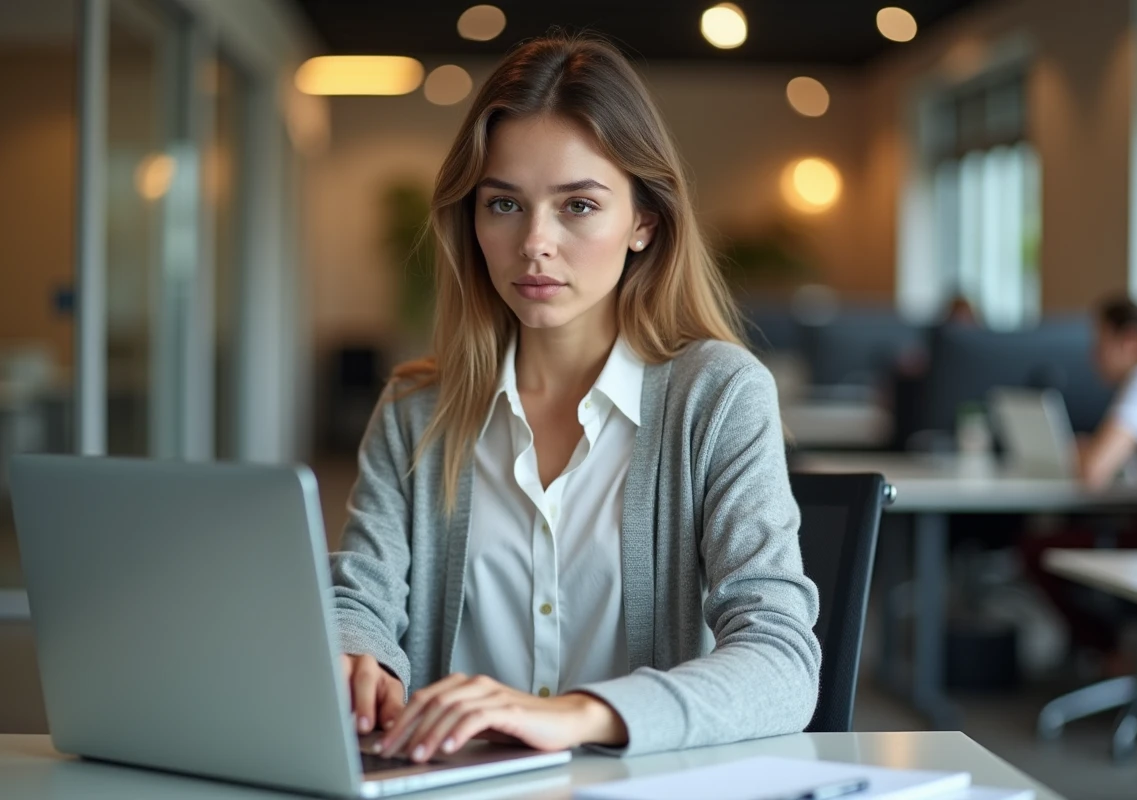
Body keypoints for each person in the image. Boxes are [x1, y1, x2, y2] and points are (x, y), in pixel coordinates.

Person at [329, 34, 820, 764]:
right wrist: (355, 657)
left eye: (578, 206)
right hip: (451, 784)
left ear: (643, 223)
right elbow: (359, 600)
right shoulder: (415, 409)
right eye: (504, 203)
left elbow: (782, 662)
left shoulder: (716, 395)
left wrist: (576, 715)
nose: (534, 243)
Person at [1022, 296, 1137, 662]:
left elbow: (1093, 472)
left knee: (1038, 550)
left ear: (1130, 342)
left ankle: (1113, 656)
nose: (1092, 356)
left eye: (1099, 343)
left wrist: (1085, 452)